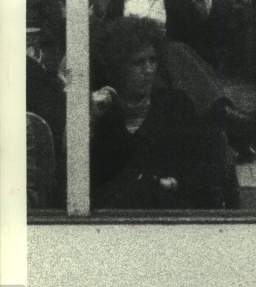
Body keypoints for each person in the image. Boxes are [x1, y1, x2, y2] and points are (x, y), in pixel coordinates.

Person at [89, 16, 234, 209]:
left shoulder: (174, 105)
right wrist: (92, 119)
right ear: (118, 67)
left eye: (153, 60)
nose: (149, 70)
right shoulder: (103, 112)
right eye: (138, 63)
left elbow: (201, 171)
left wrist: (166, 184)